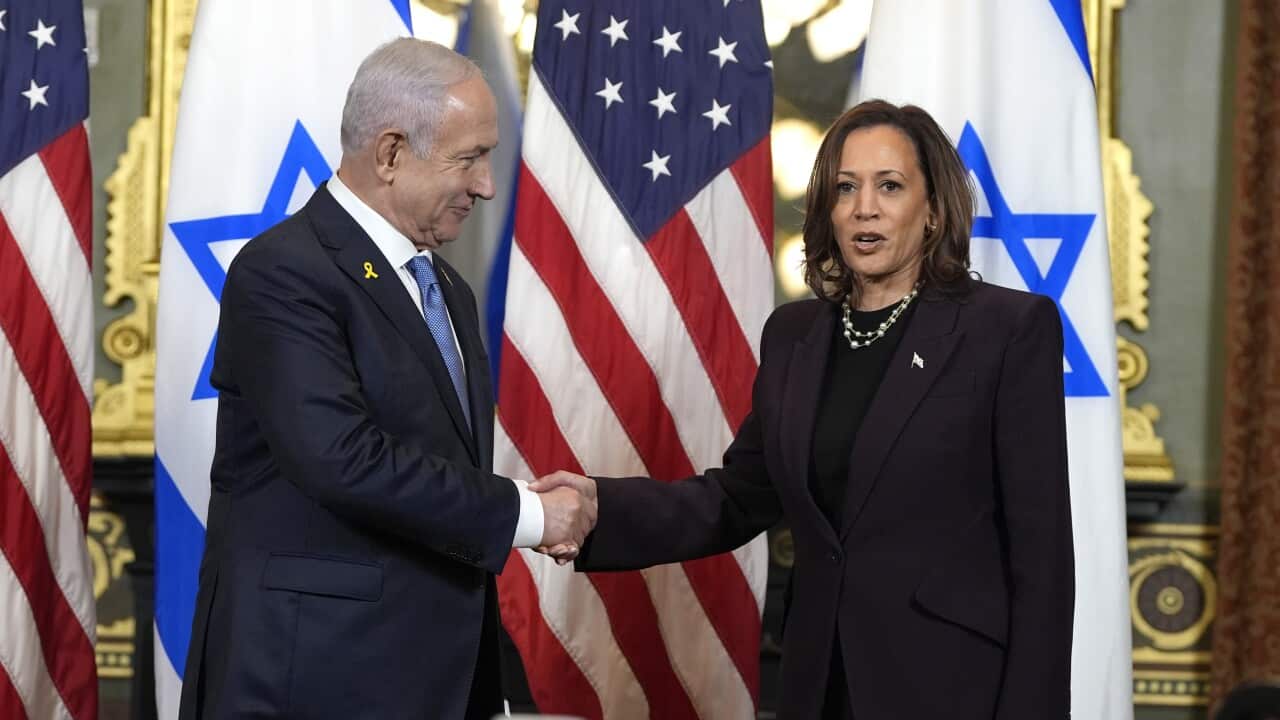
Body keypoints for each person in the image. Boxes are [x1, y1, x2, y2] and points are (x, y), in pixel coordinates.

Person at [533, 99, 1074, 719]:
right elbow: (738, 497)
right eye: (846, 188)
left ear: (932, 211)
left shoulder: (1004, 329)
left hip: (950, 687)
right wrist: (601, 508)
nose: (864, 207)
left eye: (890, 186)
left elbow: (1043, 556)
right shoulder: (795, 335)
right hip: (819, 682)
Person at [178, 38, 595, 720]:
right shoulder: (284, 271)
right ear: (391, 153)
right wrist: (528, 513)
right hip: (313, 679)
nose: (487, 185)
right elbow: (341, 459)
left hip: (433, 673)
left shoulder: (446, 288)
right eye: (471, 158)